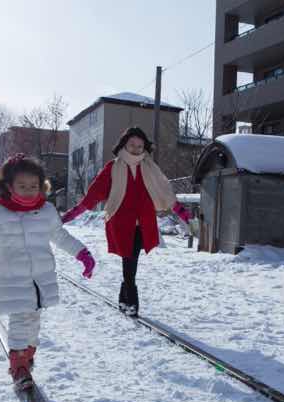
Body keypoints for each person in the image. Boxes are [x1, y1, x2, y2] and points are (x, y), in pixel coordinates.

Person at [0, 153, 96, 390]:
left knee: (34, 321)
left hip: (41, 279)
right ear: (9, 187)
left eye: (33, 186)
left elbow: (61, 237)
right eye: (22, 186)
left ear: (41, 186)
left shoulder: (46, 211)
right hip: (14, 280)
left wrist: (83, 254)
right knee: (20, 320)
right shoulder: (0, 214)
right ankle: (18, 365)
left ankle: (27, 354)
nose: (29, 191)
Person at [61, 127, 192, 317]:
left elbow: (166, 192)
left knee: (130, 260)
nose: (136, 149)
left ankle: (125, 299)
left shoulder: (150, 168)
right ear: (124, 144)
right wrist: (70, 215)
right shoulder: (112, 168)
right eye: (132, 145)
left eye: (140, 146)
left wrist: (183, 213)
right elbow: (92, 196)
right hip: (121, 224)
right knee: (129, 260)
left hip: (143, 224)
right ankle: (130, 301)